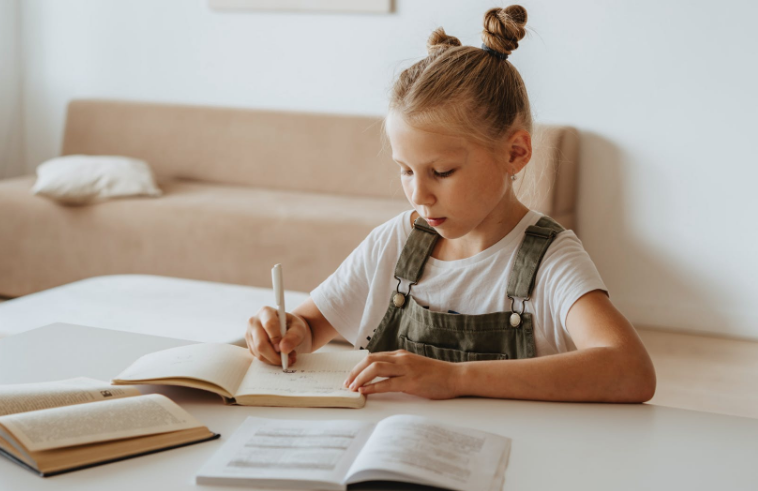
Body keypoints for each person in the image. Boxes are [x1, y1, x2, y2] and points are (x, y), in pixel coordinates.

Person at [246, 5, 656, 403]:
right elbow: (312, 324)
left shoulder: (551, 260)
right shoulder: (396, 242)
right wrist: (288, 329)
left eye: (441, 172)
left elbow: (630, 371)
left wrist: (455, 377)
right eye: (406, 170)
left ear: (515, 152)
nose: (418, 195)